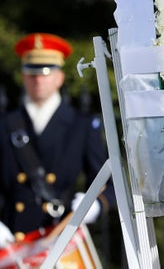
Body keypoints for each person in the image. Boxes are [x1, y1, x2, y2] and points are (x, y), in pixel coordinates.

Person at [0, 33, 113, 247]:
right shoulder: (5, 125)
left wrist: (95, 205)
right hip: (12, 241)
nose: (38, 80)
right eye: (32, 73)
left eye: (46, 73)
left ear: (59, 77)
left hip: (61, 238)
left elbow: (107, 182)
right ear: (23, 76)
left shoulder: (81, 125)